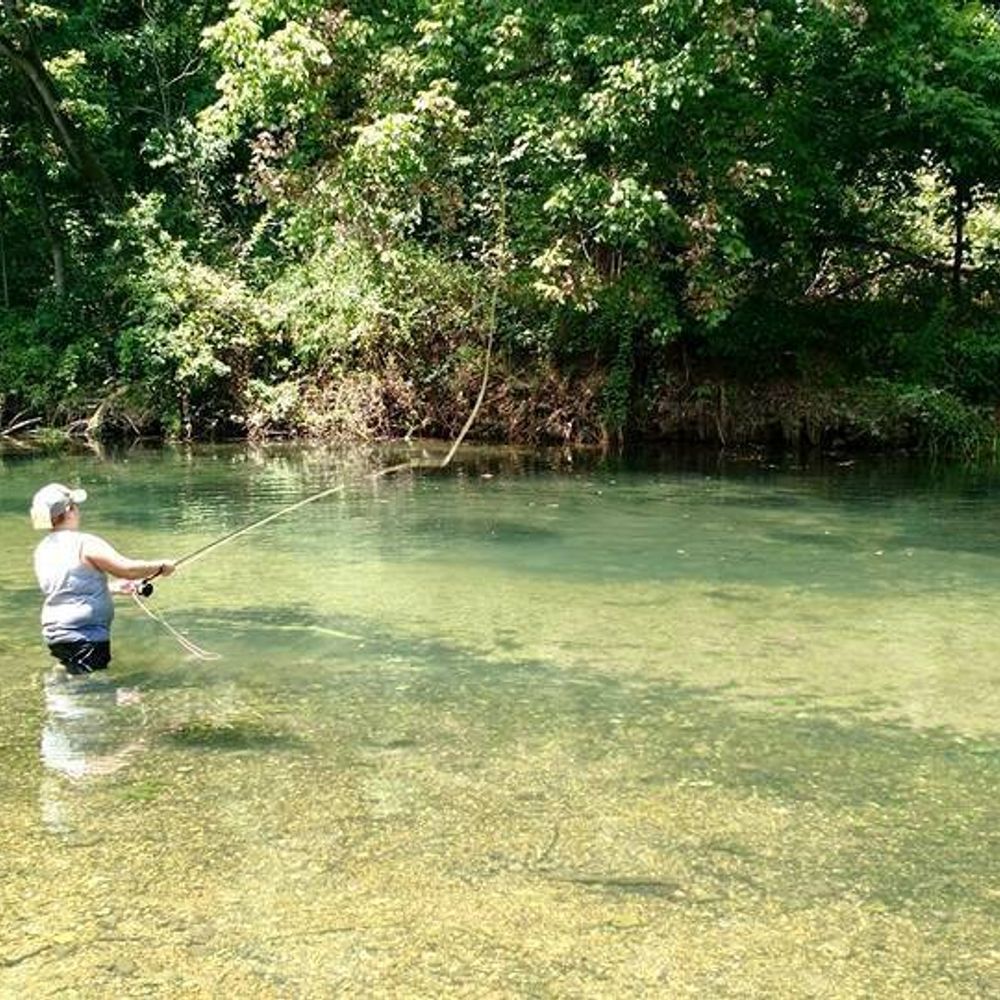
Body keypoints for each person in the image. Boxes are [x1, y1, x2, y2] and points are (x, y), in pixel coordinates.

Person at [30, 482, 176, 675]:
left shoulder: (44, 548)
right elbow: (128, 570)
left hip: (56, 632)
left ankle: (59, 686)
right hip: (84, 634)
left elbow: (66, 589)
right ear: (70, 510)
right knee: (91, 690)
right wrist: (161, 566)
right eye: (76, 506)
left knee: (73, 672)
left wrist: (113, 588)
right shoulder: (85, 543)